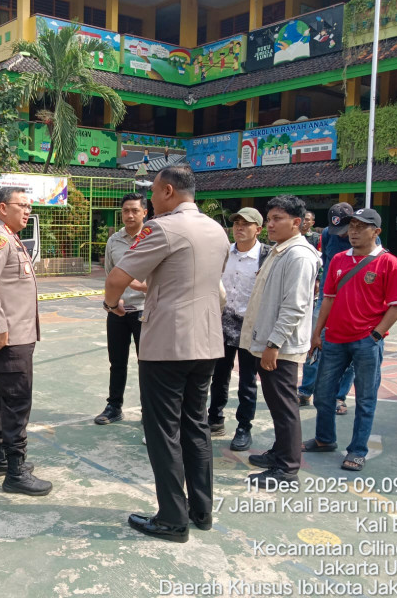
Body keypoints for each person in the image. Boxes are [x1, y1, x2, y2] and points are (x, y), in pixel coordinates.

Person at [105, 165, 229, 542]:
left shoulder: (163, 228)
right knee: (196, 426)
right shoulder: (216, 229)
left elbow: (117, 278)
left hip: (168, 344)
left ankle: (172, 518)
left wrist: (112, 305)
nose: (150, 202)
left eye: (154, 193)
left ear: (169, 191)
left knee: (163, 431)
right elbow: (218, 290)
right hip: (207, 341)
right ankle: (201, 510)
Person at [303, 208, 397, 472]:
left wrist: (376, 334)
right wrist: (317, 333)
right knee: (323, 395)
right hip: (334, 338)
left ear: (376, 232)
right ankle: (325, 439)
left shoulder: (388, 262)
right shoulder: (337, 260)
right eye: (352, 226)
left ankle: (357, 450)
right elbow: (328, 298)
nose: (354, 231)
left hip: (366, 341)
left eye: (362, 227)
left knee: (365, 398)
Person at [241, 195, 320, 487]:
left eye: (277, 219)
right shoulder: (280, 251)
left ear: (296, 223)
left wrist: (273, 345)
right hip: (271, 343)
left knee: (285, 405)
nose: (270, 224)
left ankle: (287, 468)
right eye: (269, 218)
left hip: (281, 347)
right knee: (276, 403)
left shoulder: (299, 255)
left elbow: (295, 306)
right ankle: (280, 451)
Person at [0, 186, 50, 495]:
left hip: (18, 335)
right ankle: (16, 472)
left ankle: (1, 460)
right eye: (22, 205)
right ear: (3, 208)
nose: (27, 210)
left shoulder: (11, 237)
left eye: (29, 205)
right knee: (18, 401)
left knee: (6, 398)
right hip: (9, 337)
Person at [208, 207, 270, 451]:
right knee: (218, 375)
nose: (240, 228)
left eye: (246, 224)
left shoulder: (266, 257)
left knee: (247, 380)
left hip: (250, 326)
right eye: (236, 223)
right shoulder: (224, 253)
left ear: (259, 229)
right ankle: (215, 418)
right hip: (222, 322)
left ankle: (244, 426)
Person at [94, 193, 147, 425]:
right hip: (117, 310)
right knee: (117, 362)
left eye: (135, 210)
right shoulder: (114, 241)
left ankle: (150, 410)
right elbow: (109, 274)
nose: (130, 215)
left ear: (145, 212)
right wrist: (113, 301)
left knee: (147, 364)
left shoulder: (153, 238)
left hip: (145, 311)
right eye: (126, 210)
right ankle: (114, 406)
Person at [297, 202, 355, 411]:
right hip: (327, 296)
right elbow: (326, 263)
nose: (341, 235)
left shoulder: (369, 238)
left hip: (353, 302)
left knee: (350, 351)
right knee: (314, 342)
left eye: (345, 230)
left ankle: (339, 397)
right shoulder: (329, 235)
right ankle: (305, 391)